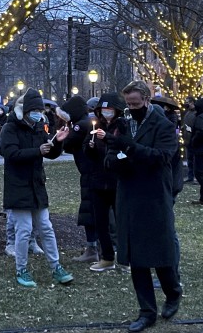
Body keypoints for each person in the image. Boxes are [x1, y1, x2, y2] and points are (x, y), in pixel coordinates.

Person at [101, 81, 182, 331]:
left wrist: (129, 147)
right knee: (137, 258)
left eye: (135, 103)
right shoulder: (123, 125)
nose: (131, 108)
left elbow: (162, 157)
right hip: (128, 195)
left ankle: (173, 292)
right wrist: (116, 157)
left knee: (161, 251)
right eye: (128, 104)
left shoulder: (164, 126)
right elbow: (111, 158)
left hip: (155, 196)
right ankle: (147, 311)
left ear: (147, 99)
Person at [0, 88, 74, 288]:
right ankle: (21, 268)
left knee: (46, 228)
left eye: (39, 110)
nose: (38, 114)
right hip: (18, 186)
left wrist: (57, 143)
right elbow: (10, 153)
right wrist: (36, 151)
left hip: (37, 185)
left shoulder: (40, 127)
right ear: (24, 111)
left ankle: (56, 266)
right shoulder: (10, 128)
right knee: (23, 230)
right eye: (34, 110)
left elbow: (49, 152)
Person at [84, 94, 125, 272]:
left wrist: (108, 137)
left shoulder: (122, 126)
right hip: (98, 181)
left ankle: (125, 258)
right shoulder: (96, 126)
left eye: (110, 110)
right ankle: (107, 256)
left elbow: (125, 147)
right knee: (101, 222)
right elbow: (87, 151)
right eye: (103, 110)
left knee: (122, 222)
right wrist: (90, 147)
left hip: (117, 181)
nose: (106, 113)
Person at [58, 95, 100, 264]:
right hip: (91, 171)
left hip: (89, 173)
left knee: (90, 211)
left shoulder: (79, 125)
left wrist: (64, 133)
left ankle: (92, 248)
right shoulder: (87, 123)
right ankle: (99, 247)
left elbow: (66, 144)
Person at [181, 99, 197, 184]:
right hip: (187, 139)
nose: (188, 104)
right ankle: (190, 176)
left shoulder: (196, 113)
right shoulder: (187, 113)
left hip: (194, 139)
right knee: (189, 159)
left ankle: (195, 177)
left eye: (190, 102)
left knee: (194, 160)